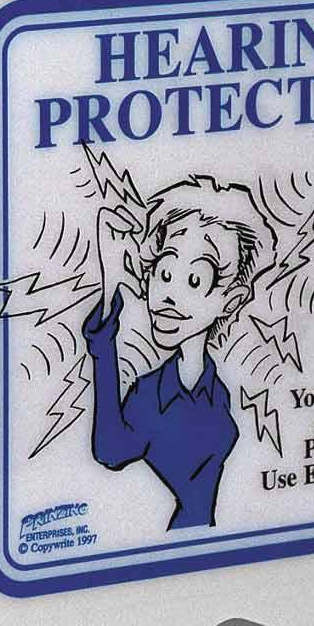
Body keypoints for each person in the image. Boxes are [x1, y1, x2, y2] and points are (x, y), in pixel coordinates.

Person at [82, 175, 276, 530]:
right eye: (165, 272)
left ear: (231, 300)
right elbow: (111, 451)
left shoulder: (217, 391)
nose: (168, 295)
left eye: (195, 280)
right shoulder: (150, 395)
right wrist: (110, 290)